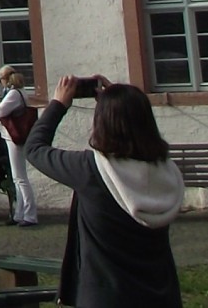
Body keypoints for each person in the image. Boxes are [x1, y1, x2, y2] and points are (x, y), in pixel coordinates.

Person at [25, 76, 184, 307]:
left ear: (102, 123)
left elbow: (35, 149)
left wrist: (58, 104)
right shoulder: (166, 171)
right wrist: (122, 101)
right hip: (161, 296)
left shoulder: (90, 170)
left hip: (105, 297)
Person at [0, 64, 40, 226]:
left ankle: (30, 214)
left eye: (0, 79)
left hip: (14, 137)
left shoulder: (13, 93)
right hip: (14, 137)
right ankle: (20, 214)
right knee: (17, 177)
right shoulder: (20, 92)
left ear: (5, 79)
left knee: (20, 178)